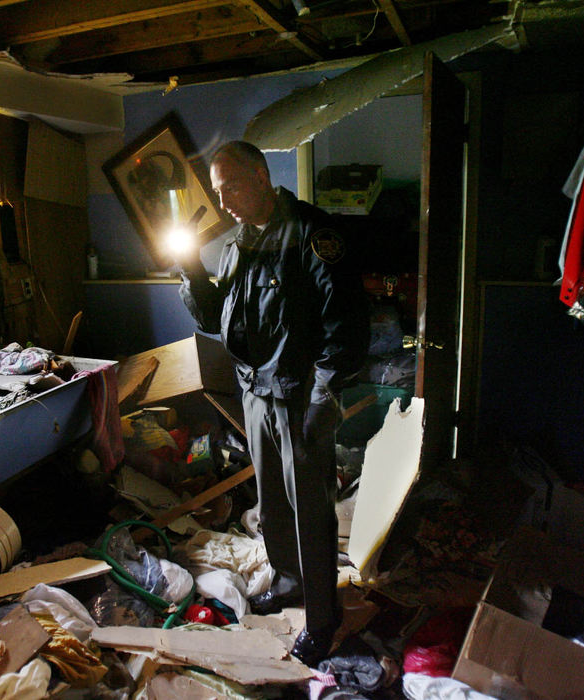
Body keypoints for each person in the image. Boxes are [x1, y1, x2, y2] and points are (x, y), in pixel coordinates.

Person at [174, 141, 369, 666]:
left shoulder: (313, 234)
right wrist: (191, 270)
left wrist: (324, 400)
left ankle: (323, 617)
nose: (225, 201)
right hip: (256, 392)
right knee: (273, 502)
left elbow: (345, 327)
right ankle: (287, 580)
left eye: (231, 186)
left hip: (301, 396)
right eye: (218, 193)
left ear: (261, 175)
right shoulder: (242, 243)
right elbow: (217, 320)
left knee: (311, 508)